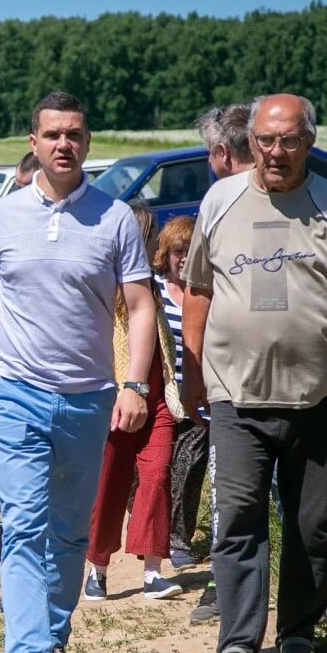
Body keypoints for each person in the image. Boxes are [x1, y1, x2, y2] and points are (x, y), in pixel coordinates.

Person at [181, 94, 327, 653]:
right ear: (248, 140)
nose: (274, 152)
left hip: (313, 392)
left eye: (287, 141)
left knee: (313, 523)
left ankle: (299, 634)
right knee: (238, 521)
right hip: (237, 392)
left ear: (309, 141)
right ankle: (237, 646)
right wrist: (191, 368)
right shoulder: (220, 201)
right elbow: (198, 289)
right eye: (264, 140)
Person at [0, 91, 155, 653]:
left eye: (74, 134)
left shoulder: (115, 218)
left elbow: (141, 306)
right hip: (15, 394)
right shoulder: (1, 218)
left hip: (90, 398)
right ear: (33, 143)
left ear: (87, 144)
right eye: (51, 134)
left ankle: (53, 640)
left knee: (69, 533)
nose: (63, 144)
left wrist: (136, 384)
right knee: (23, 527)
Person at [83, 202, 184, 604]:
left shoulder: (155, 288)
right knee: (108, 485)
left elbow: (166, 342)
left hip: (157, 402)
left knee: (157, 477)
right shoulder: (107, 291)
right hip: (116, 401)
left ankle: (152, 571)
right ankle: (98, 569)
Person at [186, 102, 257, 625]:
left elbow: (197, 294)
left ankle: (225, 590)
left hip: (238, 377)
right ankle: (234, 590)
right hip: (249, 377)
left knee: (232, 493)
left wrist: (193, 371)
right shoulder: (227, 202)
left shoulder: (220, 201)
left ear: (219, 152)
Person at [152, 215, 210, 582]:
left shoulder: (207, 292)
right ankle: (152, 529)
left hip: (197, 399)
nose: (185, 259)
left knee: (189, 467)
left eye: (191, 252)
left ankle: (179, 539)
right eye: (178, 252)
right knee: (156, 471)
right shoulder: (154, 290)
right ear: (166, 254)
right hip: (159, 395)